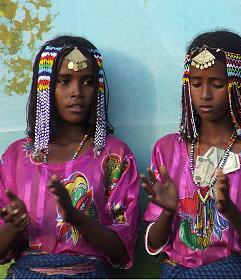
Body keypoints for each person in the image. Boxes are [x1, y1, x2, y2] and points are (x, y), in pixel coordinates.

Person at [141, 30, 241, 278]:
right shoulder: (166, 150)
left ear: (237, 85)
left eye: (217, 84)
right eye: (196, 83)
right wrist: (167, 211)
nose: (205, 94)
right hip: (175, 272)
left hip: (232, 271)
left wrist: (232, 213)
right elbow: (153, 246)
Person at [0, 36, 140, 278]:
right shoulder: (16, 157)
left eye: (86, 81)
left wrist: (76, 218)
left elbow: (121, 253)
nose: (76, 92)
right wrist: (15, 224)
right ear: (45, 88)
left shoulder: (114, 155)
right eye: (64, 81)